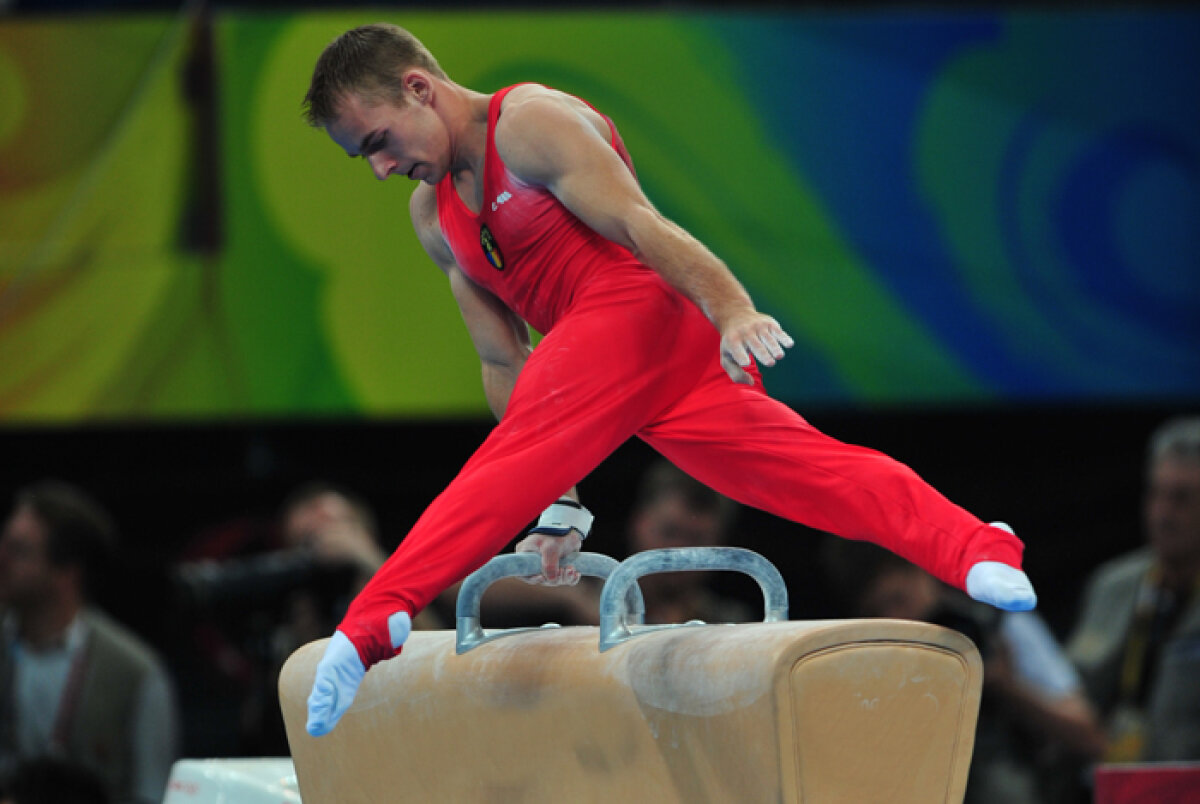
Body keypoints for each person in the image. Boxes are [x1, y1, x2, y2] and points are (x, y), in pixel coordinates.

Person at [299, 22, 1037, 736]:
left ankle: (374, 618)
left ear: (418, 88)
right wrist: (559, 502)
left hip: (638, 309)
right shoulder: (434, 217)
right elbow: (502, 361)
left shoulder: (529, 122)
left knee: (508, 467)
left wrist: (732, 309)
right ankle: (976, 544)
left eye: (378, 142)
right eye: (362, 157)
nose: (381, 168)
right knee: (807, 472)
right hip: (608, 367)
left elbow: (643, 225)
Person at [825, 539, 1105, 804]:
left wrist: (1005, 685)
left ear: (924, 572)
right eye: (878, 611)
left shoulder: (995, 627)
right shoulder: (864, 655)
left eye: (899, 599)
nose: (896, 619)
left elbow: (1089, 736)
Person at [0, 481, 179, 804]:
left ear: (67, 573)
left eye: (19, 551)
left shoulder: (136, 673)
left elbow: (153, 794)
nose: (2, 559)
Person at [1067, 416, 1200, 764]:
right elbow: (1072, 692)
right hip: (1102, 780)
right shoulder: (1112, 584)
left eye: (1182, 498)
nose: (1162, 514)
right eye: (1157, 493)